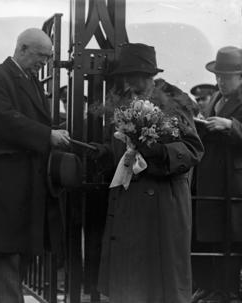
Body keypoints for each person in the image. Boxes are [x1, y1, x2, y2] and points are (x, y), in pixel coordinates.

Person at [0, 28, 70, 302]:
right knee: (8, 258)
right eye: (41, 56)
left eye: (48, 58)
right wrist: (47, 135)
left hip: (24, 189)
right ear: (22, 48)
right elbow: (5, 119)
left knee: (16, 259)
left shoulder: (31, 81)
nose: (44, 63)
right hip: (4, 189)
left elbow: (34, 122)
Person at [93, 43, 204, 303]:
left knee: (159, 281)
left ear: (148, 76)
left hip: (163, 202)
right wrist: (105, 152)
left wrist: (158, 152)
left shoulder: (174, 103)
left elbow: (193, 149)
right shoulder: (127, 103)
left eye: (134, 76)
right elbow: (123, 146)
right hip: (131, 200)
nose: (129, 83)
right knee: (132, 279)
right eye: (126, 77)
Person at [193, 46, 242, 303]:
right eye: (218, 76)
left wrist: (230, 125)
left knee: (230, 236)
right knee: (209, 233)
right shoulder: (216, 99)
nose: (220, 81)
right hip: (211, 176)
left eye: (226, 76)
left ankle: (227, 290)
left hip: (232, 182)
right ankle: (209, 287)